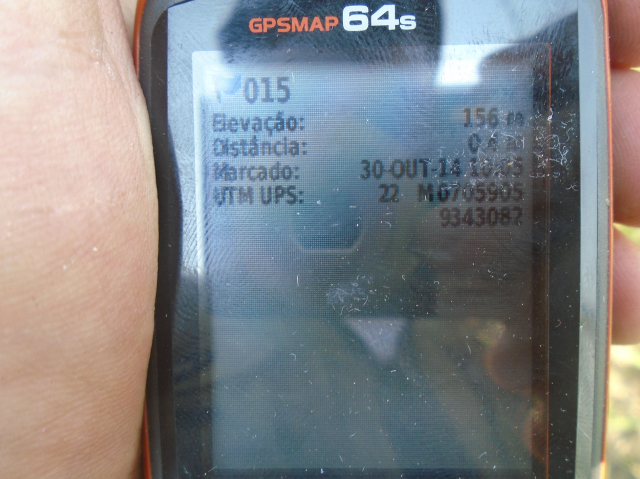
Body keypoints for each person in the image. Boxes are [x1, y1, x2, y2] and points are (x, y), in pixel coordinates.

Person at [0, 0, 638, 477]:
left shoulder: (485, 317)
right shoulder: (183, 338)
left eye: (387, 117)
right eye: (286, 128)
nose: (334, 177)